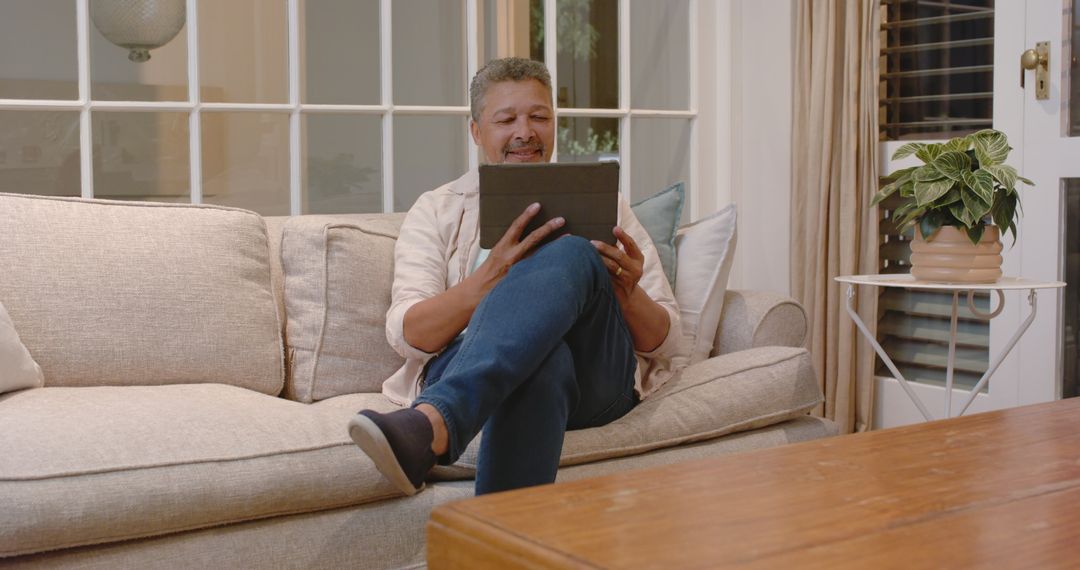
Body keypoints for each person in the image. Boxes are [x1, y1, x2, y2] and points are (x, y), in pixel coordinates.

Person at [348, 57, 686, 496]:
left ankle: (435, 421)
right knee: (543, 361)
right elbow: (408, 332)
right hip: (479, 362)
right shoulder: (437, 209)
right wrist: (487, 278)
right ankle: (500, 549)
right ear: (476, 132)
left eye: (539, 117)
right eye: (506, 119)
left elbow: (668, 340)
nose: (524, 132)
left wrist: (627, 294)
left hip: (596, 381)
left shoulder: (608, 205)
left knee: (570, 247)